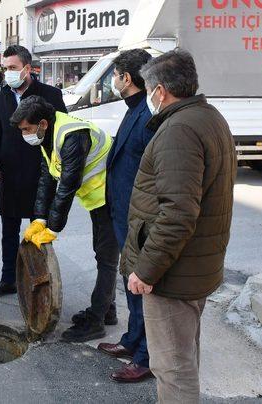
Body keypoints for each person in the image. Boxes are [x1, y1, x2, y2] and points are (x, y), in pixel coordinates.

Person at [120, 49, 236, 403]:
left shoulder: (178, 130)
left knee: (172, 369)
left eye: (150, 88)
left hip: (172, 275)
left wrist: (146, 270)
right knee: (182, 358)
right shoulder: (207, 117)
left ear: (160, 91)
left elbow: (178, 212)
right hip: (192, 266)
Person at [11, 95, 117, 343]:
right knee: (103, 254)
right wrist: (39, 219)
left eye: (27, 128)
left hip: (113, 195)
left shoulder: (71, 136)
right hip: (99, 196)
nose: (24, 134)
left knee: (106, 258)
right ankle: (106, 309)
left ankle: (97, 321)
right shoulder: (49, 137)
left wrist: (54, 227)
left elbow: (67, 185)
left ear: (43, 124)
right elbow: (47, 178)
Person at [0, 45, 66, 300]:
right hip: (10, 174)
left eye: (12, 68)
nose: (7, 73)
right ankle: (8, 279)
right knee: (8, 232)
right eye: (5, 68)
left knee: (38, 233)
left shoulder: (50, 94)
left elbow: (61, 135)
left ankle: (39, 284)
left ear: (27, 69)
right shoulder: (2, 96)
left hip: (40, 175)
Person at [96, 49, 156, 383]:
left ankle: (146, 356)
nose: (114, 81)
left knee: (140, 284)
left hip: (138, 216)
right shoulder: (135, 108)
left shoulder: (148, 110)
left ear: (127, 78)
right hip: (124, 212)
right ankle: (133, 340)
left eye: (116, 75)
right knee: (129, 282)